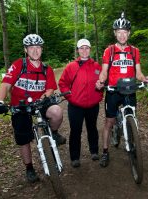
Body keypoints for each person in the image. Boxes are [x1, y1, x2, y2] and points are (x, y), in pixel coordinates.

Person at [0, 34, 66, 182]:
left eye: (38, 47)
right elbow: (6, 84)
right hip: (20, 105)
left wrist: (43, 98)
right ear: (26, 50)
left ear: (42, 49)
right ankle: (29, 168)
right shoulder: (19, 64)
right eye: (31, 47)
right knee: (23, 137)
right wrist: (0, 101)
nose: (35, 50)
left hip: (39, 102)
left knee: (57, 111)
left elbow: (50, 89)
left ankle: (54, 133)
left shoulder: (46, 69)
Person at [95, 12, 148, 167]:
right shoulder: (109, 51)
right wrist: (101, 80)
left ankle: (133, 143)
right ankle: (105, 152)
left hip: (130, 89)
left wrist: (144, 78)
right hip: (113, 90)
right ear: (115, 33)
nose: (122, 35)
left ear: (129, 33)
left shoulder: (134, 51)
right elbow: (104, 71)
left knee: (132, 116)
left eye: (125, 32)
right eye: (119, 32)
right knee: (109, 122)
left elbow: (138, 72)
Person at [58, 39, 103, 168]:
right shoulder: (71, 66)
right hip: (75, 106)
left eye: (87, 48)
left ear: (90, 49)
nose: (84, 50)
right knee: (75, 131)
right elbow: (62, 83)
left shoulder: (96, 66)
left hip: (92, 105)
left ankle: (94, 151)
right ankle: (75, 157)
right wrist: (70, 97)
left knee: (92, 128)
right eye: (81, 48)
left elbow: (102, 83)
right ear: (78, 50)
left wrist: (99, 93)